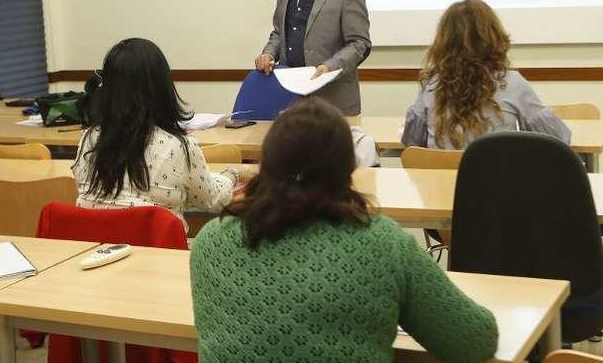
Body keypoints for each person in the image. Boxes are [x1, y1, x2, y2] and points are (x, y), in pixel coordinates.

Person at [190, 97, 498, 362]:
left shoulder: (210, 243)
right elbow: (474, 342)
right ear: (347, 168)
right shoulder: (383, 244)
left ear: (266, 162)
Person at [72, 38, 240, 231]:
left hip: (94, 249)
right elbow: (213, 200)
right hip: (158, 254)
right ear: (162, 87)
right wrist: (233, 174)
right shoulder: (178, 147)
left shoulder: (88, 139)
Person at [402, 0, 570, 149]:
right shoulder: (512, 83)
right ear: (494, 36)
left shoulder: (433, 84)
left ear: (443, 41)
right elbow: (559, 138)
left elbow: (412, 140)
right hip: (497, 182)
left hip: (438, 183)